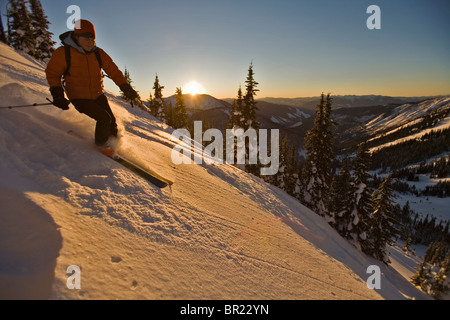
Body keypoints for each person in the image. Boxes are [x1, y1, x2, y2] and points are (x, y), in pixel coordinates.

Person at [45, 19, 139, 156]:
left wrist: (125, 87)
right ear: (77, 37)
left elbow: (113, 70)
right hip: (78, 97)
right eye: (86, 38)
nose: (91, 42)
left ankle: (114, 147)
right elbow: (53, 73)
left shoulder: (98, 53)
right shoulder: (64, 53)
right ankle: (101, 146)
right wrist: (57, 93)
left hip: (97, 95)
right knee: (104, 118)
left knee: (112, 122)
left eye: (93, 39)